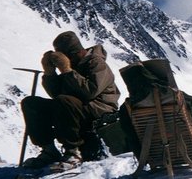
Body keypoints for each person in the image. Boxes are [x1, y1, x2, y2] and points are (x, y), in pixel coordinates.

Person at [21, 31, 121, 169]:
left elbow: (89, 92)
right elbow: (55, 94)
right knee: (31, 103)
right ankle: (48, 150)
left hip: (101, 108)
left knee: (64, 101)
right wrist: (50, 73)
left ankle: (73, 151)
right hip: (73, 106)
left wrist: (67, 70)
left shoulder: (96, 63)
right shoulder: (71, 65)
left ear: (75, 53)